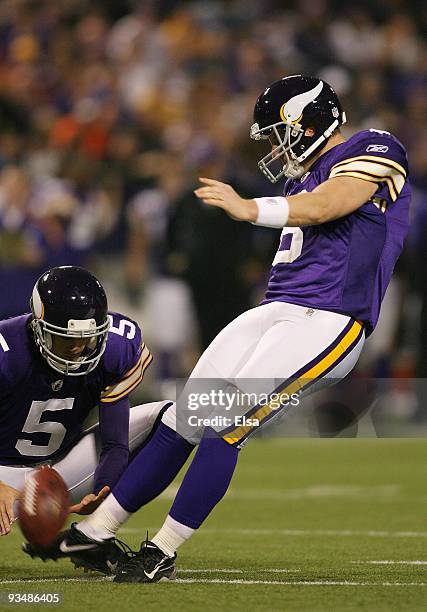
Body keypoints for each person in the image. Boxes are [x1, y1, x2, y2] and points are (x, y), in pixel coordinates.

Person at [24, 75, 411, 582]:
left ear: (311, 121)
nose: (276, 146)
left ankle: (160, 550)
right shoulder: (301, 177)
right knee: (185, 417)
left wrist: (250, 208)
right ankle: (95, 531)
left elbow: (329, 204)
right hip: (272, 313)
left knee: (226, 424)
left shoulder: (375, 148)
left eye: (280, 133)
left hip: (327, 321)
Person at [0, 265, 174, 572]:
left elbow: (116, 445)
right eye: (67, 339)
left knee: (173, 417)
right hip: (3, 474)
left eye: (87, 338)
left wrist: (103, 491)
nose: (79, 348)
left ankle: (93, 538)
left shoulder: (115, 349)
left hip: (60, 469)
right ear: (39, 327)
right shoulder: (7, 351)